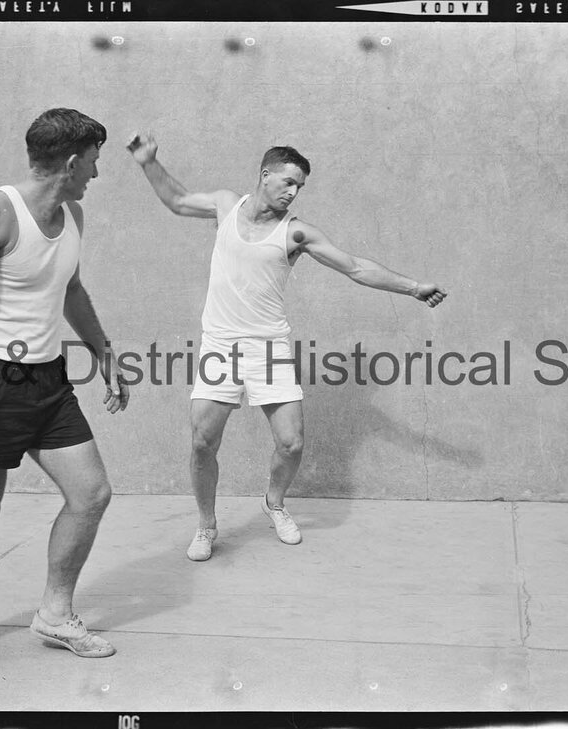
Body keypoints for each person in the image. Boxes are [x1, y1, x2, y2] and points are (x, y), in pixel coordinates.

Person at [126, 133, 447, 561]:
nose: (293, 192)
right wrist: (149, 162)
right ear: (265, 174)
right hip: (220, 344)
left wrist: (412, 287)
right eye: (289, 182)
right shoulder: (226, 205)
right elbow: (178, 201)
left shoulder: (295, 232)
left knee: (291, 443)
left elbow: (354, 267)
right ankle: (206, 525)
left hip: (269, 347)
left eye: (300, 186)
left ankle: (274, 503)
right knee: (203, 441)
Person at [0, 108, 129, 669]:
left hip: (47, 380)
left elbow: (72, 289)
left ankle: (55, 615)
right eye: (93, 160)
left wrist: (104, 352)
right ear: (70, 161)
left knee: (91, 495)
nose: (96, 171)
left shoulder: (74, 215)